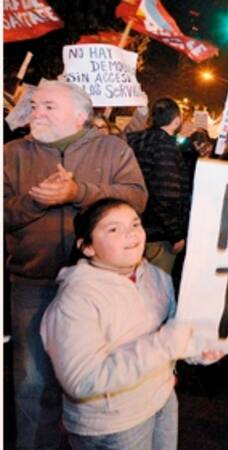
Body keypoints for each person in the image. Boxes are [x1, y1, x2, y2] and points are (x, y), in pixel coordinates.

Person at [4, 80, 147, 450]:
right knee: (32, 383)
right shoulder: (12, 154)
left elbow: (136, 199)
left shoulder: (113, 149)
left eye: (49, 106)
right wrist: (37, 202)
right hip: (33, 282)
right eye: (35, 106)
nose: (37, 112)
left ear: (80, 116)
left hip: (98, 287)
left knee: (96, 379)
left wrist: (78, 192)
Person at [40, 198, 223, 450]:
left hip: (161, 400)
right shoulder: (75, 300)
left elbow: (170, 330)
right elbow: (81, 380)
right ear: (87, 247)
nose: (131, 235)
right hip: (114, 424)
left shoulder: (154, 275)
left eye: (135, 224)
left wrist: (196, 351)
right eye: (113, 229)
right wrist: (167, 344)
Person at [126, 98, 190, 275]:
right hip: (158, 234)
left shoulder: (133, 139)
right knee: (155, 290)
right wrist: (175, 233)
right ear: (176, 121)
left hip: (131, 225)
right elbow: (165, 193)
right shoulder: (166, 146)